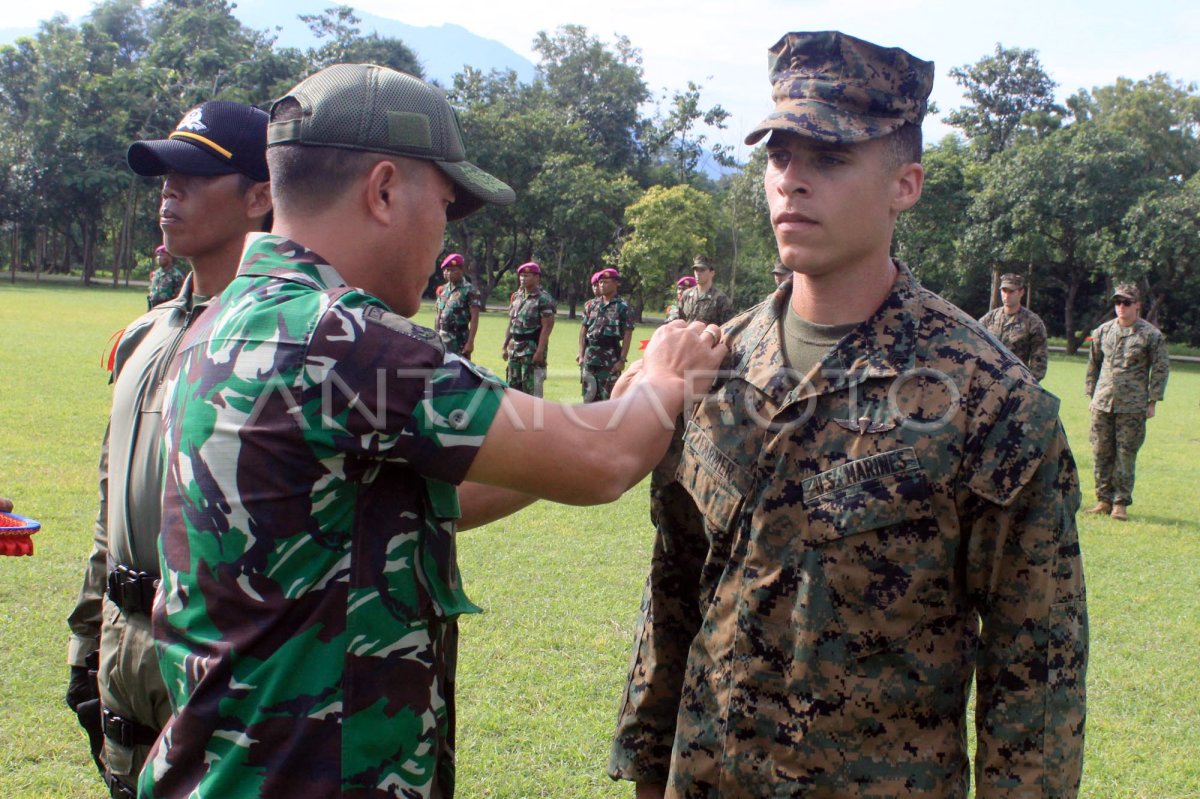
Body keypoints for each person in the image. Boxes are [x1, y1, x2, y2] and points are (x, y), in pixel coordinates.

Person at [144, 63, 726, 799]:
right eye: (444, 205)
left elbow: (438, 490)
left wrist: (608, 411)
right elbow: (603, 459)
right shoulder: (339, 339)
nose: (444, 233)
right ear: (384, 189)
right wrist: (668, 372)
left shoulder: (225, 321)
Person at [609, 30, 1087, 798]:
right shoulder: (710, 366)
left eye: (829, 159)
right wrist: (646, 754)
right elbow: (675, 587)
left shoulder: (990, 399)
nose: (792, 182)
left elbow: (1035, 674)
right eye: (780, 156)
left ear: (906, 184)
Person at [65, 99, 272, 799]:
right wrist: (85, 641)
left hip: (213, 660)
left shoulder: (278, 343)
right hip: (125, 652)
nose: (168, 190)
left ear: (260, 195)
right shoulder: (141, 336)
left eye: (191, 173)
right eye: (162, 175)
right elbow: (109, 505)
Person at [1084, 282, 1169, 521]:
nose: (1121, 307)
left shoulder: (1150, 335)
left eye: (1126, 302)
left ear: (1137, 305)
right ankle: (1102, 499)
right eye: (1117, 302)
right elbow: (1093, 364)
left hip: (1132, 405)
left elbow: (1160, 369)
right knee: (1101, 450)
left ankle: (1120, 502)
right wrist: (1092, 394)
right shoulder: (1103, 331)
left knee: (1126, 452)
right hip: (1103, 401)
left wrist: (1152, 401)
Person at [578, 267, 635, 402]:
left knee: (608, 399)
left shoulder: (623, 307)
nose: (602, 285)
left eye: (606, 282)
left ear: (616, 283)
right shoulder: (591, 305)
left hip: (610, 358)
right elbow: (583, 330)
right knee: (588, 398)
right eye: (601, 282)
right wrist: (581, 355)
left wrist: (622, 360)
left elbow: (627, 334)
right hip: (590, 356)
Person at [979, 272, 1049, 381]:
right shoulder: (989, 319)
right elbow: (975, 344)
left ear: (1021, 292)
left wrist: (1028, 383)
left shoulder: (1033, 322)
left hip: (1015, 381)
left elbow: (1039, 358)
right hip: (988, 380)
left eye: (1011, 291)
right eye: (1004, 291)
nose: (1007, 295)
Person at [502, 261, 557, 396]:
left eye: (527, 276)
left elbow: (547, 327)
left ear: (537, 278)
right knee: (512, 388)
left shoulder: (543, 299)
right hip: (514, 348)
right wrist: (504, 346)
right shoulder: (516, 296)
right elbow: (511, 323)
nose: (523, 278)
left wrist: (539, 351)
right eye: (521, 275)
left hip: (531, 348)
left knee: (532, 390)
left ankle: (534, 417)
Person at [433, 252, 481, 357]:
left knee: (459, 371)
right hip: (442, 337)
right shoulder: (443, 290)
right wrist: (436, 335)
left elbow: (474, 318)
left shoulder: (470, 290)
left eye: (453, 270)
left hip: (459, 339)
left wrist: (470, 342)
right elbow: (438, 314)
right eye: (447, 270)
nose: (449, 273)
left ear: (461, 271)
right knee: (443, 370)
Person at [678, 254, 733, 325]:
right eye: (696, 270)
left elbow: (726, 328)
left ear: (712, 273)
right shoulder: (686, 295)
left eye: (702, 270)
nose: (698, 273)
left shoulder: (721, 299)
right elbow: (679, 322)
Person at [145, 245, 185, 309]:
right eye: (157, 255)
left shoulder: (176, 275)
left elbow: (180, 297)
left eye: (162, 255)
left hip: (167, 310)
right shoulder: (156, 274)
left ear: (170, 257)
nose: (158, 258)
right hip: (153, 309)